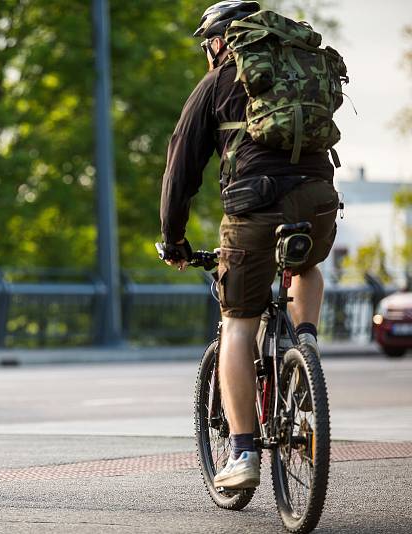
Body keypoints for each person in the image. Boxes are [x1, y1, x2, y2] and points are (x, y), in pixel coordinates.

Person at [159, 1, 340, 490]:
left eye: (206, 43)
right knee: (305, 264)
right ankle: (304, 348)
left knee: (237, 322)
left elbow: (180, 168)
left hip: (254, 207)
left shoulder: (217, 82)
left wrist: (174, 240)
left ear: (219, 40)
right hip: (320, 197)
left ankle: (242, 452)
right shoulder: (301, 73)